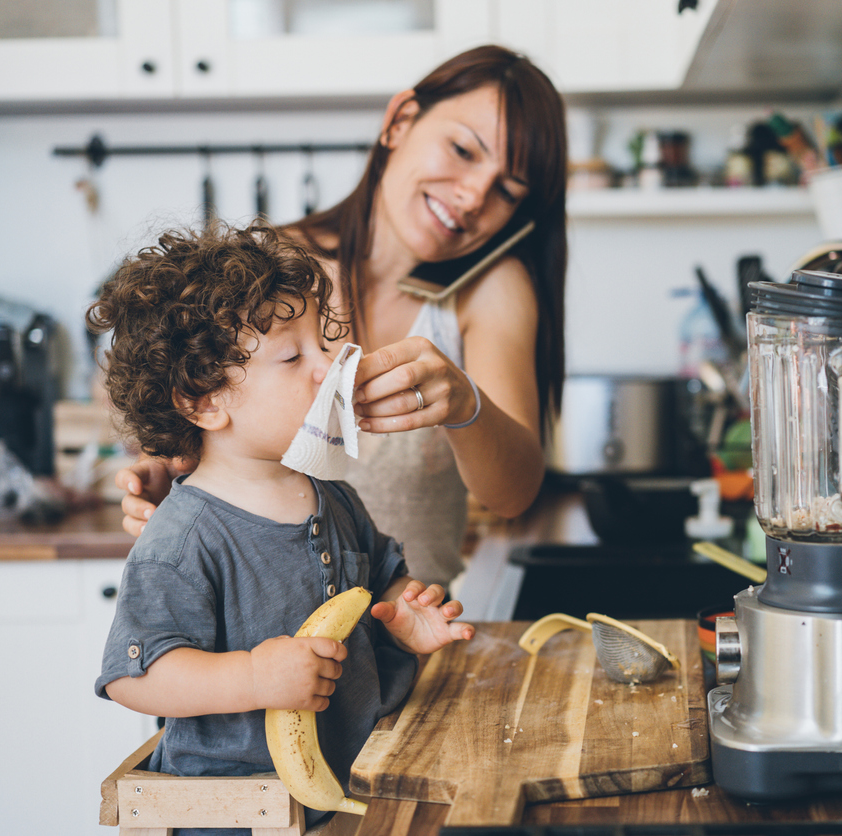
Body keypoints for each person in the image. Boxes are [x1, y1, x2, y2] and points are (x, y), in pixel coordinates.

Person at [116, 45, 569, 589]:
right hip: (271, 650)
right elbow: (204, 418)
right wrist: (177, 464)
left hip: (411, 640)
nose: (473, 196)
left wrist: (465, 403)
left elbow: (512, 494)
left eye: (507, 191)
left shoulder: (491, 290)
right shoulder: (267, 271)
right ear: (401, 120)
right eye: (463, 150)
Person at [90, 223, 473, 834]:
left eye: (322, 344)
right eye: (293, 357)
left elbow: (384, 582)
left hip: (359, 787)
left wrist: (404, 617)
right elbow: (137, 678)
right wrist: (253, 677)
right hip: (240, 813)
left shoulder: (337, 499)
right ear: (204, 401)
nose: (328, 369)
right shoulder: (184, 537)